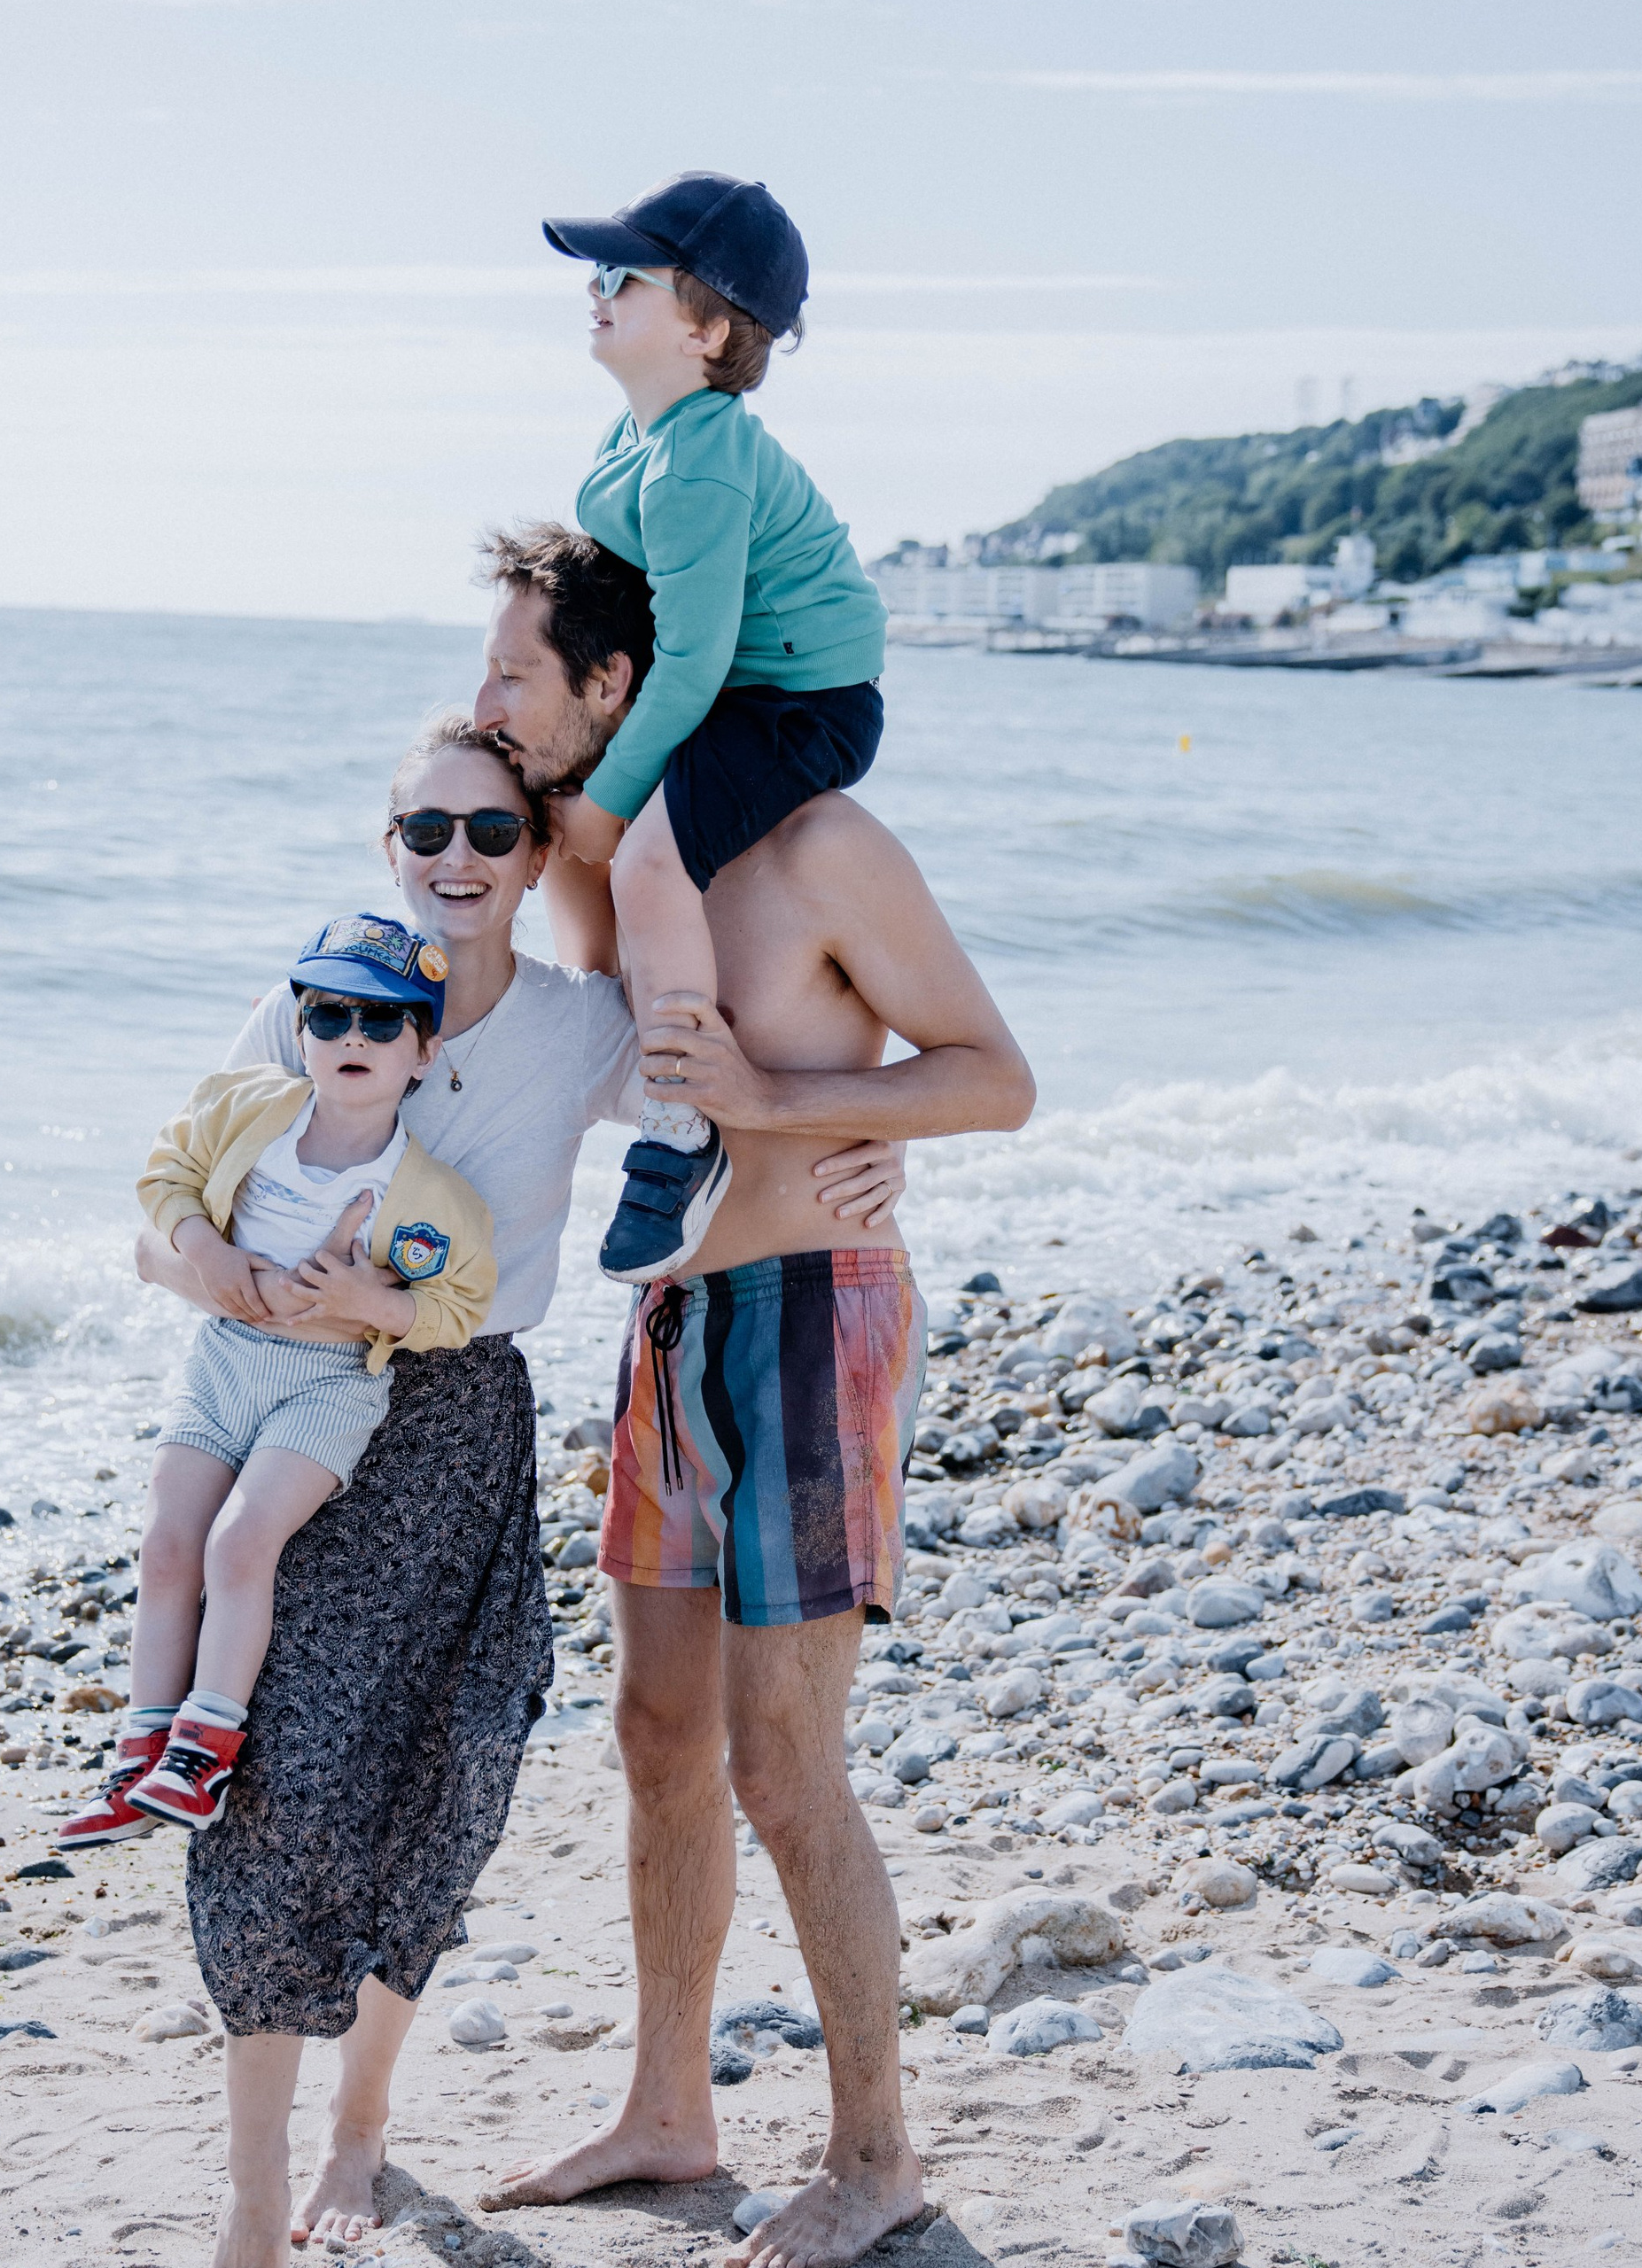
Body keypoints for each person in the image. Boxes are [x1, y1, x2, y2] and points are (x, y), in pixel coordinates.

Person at [129, 705, 907, 2268]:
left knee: (448, 1778)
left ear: (543, 851)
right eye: (429, 831)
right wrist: (211, 1267)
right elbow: (166, 1210)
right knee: (275, 1783)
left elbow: (726, 1101)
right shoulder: (308, 1005)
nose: (460, 859)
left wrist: (882, 1142)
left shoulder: (580, 1023)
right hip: (292, 1400)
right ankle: (251, 2201)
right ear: (389, 845)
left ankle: (364, 2132)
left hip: (463, 1424)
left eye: (494, 831)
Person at [475, 526, 1036, 2268]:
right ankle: (669, 2111)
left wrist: (792, 1103)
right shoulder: (602, 862)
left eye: (513, 672)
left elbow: (996, 1077)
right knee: (655, 1741)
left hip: (812, 1318)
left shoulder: (821, 847)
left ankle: (875, 2158)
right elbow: (582, 1043)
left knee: (783, 1764)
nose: (487, 697)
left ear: (611, 689)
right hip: (670, 1334)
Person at [61, 913, 494, 1845]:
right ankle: (137, 1755)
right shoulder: (244, 1110)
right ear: (297, 1031)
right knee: (167, 1545)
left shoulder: (430, 1197)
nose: (352, 1038)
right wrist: (205, 1252)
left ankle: (203, 1751)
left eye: (383, 1023)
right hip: (222, 1359)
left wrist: (364, 1300)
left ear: (423, 1053)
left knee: (239, 1541)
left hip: (330, 1380)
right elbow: (164, 1177)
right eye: (329, 1015)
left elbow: (457, 1309)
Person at [536, 170, 891, 1285]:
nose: (595, 288)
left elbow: (691, 666)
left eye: (624, 275)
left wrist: (600, 808)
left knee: (645, 868)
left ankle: (680, 1129)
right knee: (623, 853)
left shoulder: (700, 460)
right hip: (740, 680)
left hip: (802, 702)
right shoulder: (634, 435)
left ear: (705, 326)